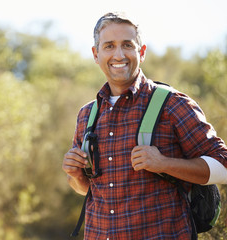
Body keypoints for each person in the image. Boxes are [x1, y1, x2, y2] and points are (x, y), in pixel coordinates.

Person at [62, 12, 227, 239]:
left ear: (141, 51)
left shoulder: (172, 104)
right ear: (96, 54)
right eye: (109, 46)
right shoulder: (86, 115)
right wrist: (76, 175)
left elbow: (224, 166)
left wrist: (164, 163)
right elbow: (90, 190)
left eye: (127, 45)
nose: (118, 54)